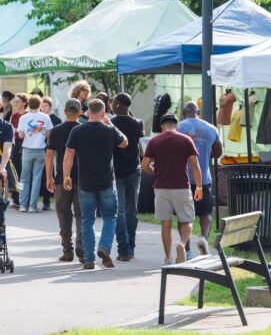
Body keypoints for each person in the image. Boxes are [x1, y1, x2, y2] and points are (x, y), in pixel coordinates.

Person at [63, 99, 128, 269]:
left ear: (87, 112)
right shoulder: (108, 130)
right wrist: (110, 124)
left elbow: (69, 154)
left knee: (87, 221)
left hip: (85, 182)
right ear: (103, 113)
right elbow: (124, 143)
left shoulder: (77, 130)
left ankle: (89, 259)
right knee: (109, 217)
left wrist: (66, 176)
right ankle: (104, 247)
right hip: (106, 181)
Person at [141, 113, 203, 265]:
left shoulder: (154, 141)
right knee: (188, 219)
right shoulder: (186, 140)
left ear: (162, 126)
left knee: (165, 223)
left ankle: (168, 258)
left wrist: (156, 173)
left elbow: (144, 166)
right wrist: (199, 186)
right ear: (177, 126)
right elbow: (195, 165)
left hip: (161, 188)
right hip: (181, 186)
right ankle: (182, 244)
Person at [178, 101, 222, 255]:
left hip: (182, 179)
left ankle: (187, 250)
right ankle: (203, 237)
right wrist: (205, 153)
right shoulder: (211, 129)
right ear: (198, 112)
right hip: (203, 179)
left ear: (184, 112)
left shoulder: (178, 127)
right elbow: (218, 152)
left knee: (184, 216)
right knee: (206, 213)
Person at [46, 99, 84, 262]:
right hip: (83, 178)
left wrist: (49, 176)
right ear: (80, 112)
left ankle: (67, 251)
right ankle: (82, 247)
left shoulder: (56, 130)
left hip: (62, 178)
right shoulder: (84, 129)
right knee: (81, 215)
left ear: (65, 111)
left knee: (63, 214)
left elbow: (49, 155)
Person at [111, 93, 145, 261]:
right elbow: (140, 132)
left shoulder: (111, 123)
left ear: (117, 105)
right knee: (132, 210)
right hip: (134, 169)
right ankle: (130, 246)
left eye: (112, 102)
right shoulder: (138, 123)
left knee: (120, 211)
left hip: (116, 171)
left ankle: (123, 249)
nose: (110, 105)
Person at [17, 95, 53, 213]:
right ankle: (33, 206)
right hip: (40, 150)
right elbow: (49, 135)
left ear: (28, 104)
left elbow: (20, 135)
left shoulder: (23, 117)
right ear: (40, 104)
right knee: (37, 178)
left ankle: (22, 204)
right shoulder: (46, 117)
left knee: (23, 178)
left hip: (27, 149)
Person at [7, 93, 28, 208]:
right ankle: (16, 196)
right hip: (15, 147)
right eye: (15, 102)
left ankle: (22, 197)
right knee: (16, 172)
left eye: (18, 101)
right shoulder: (14, 116)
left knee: (22, 172)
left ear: (24, 103)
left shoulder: (27, 115)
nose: (16, 104)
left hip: (24, 146)